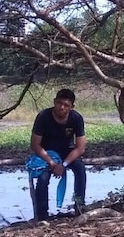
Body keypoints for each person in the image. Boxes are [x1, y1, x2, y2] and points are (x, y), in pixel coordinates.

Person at [29, 88, 87, 220]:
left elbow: (80, 148)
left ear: (72, 107)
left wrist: (64, 164)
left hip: (67, 151)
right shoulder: (43, 116)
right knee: (43, 179)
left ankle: (79, 207)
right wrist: (51, 162)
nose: (62, 107)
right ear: (54, 102)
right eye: (59, 103)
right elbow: (35, 145)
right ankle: (42, 216)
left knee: (80, 169)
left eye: (66, 105)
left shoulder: (76, 118)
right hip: (46, 153)